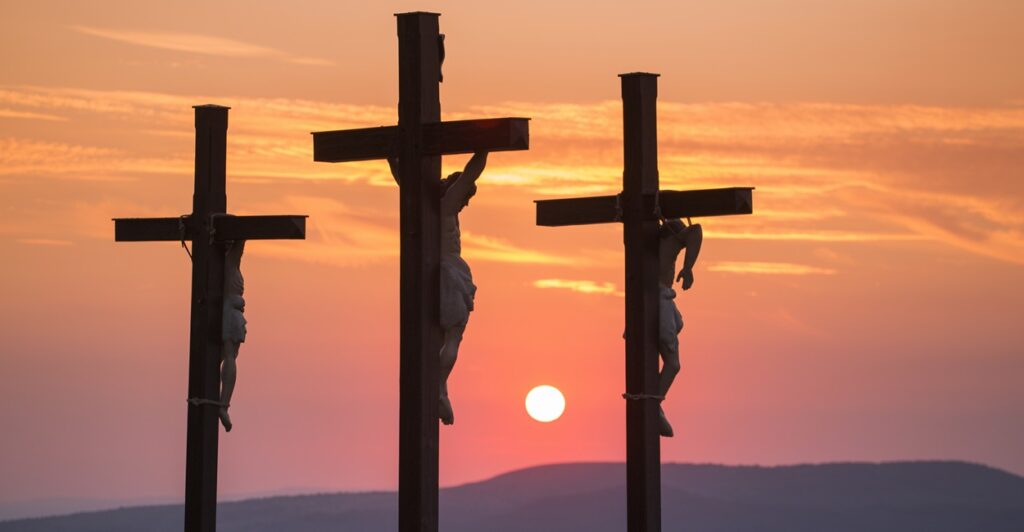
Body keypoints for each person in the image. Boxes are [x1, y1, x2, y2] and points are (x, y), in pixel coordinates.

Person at [388, 152, 489, 425]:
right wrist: (485, 148)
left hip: (434, 272)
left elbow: (406, 183)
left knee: (444, 337)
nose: (464, 201)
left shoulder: (430, 209)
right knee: (453, 335)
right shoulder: (446, 206)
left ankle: (441, 389)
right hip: (449, 272)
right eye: (464, 194)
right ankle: (439, 384)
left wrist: (392, 158)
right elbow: (472, 172)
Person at [657, 218, 702, 437]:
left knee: (679, 323)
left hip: (659, 296)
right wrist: (688, 268)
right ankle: (653, 405)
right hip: (657, 299)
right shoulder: (669, 238)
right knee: (673, 364)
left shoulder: (648, 242)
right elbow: (695, 231)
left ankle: (653, 403)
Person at [219, 240, 246, 432]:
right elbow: (242, 237)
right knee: (228, 356)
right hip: (228, 312)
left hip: (233, 313)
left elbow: (241, 240)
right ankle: (222, 405)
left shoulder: (230, 263)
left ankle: (223, 404)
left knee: (229, 356)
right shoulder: (227, 263)